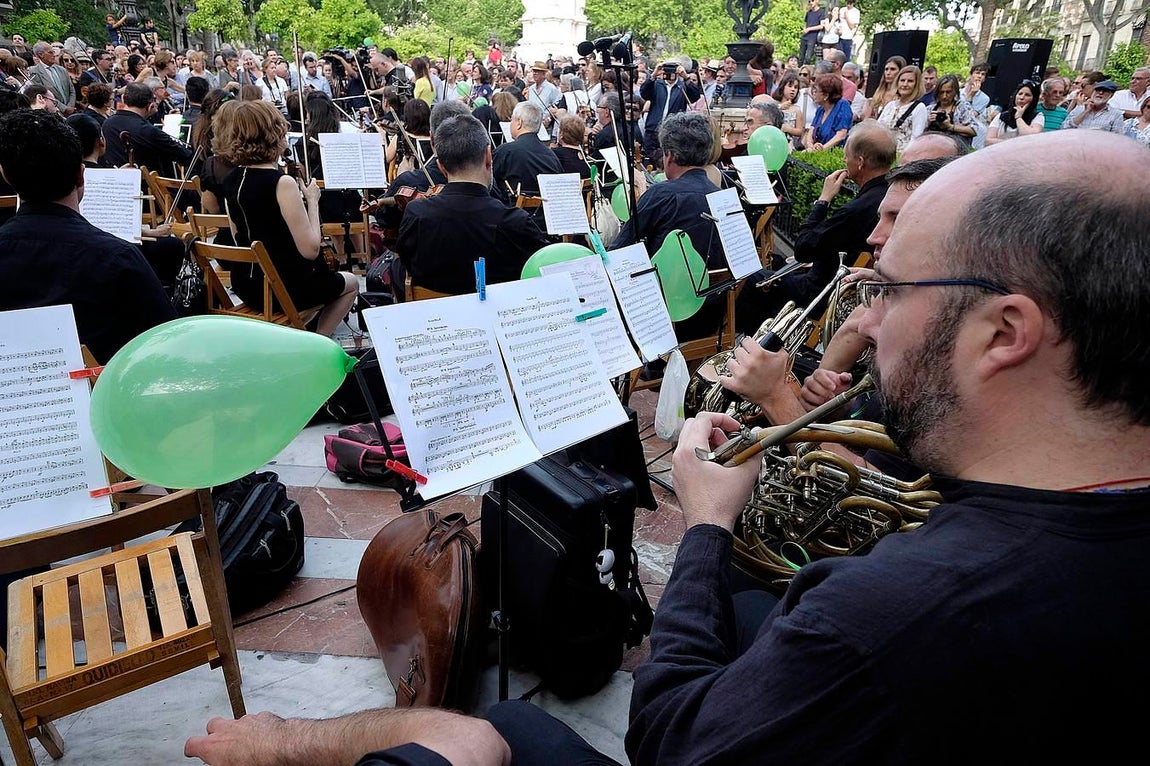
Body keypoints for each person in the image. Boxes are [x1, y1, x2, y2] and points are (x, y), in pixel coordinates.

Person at [625, 130, 1150, 764]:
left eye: (890, 291)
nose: (867, 320)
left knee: (508, 726)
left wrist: (707, 526)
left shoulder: (884, 614)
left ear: (1005, 332)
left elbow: (671, 740)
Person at [0, 108, 176, 363]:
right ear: (82, 175)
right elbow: (166, 340)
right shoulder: (118, 257)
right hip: (110, 396)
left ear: (5, 175)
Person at [214, 99, 358, 336]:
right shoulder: (282, 182)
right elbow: (311, 250)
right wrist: (312, 201)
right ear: (274, 133)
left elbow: (238, 235)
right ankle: (317, 342)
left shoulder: (231, 179)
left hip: (247, 285)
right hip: (282, 289)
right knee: (351, 282)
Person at [736, 121, 894, 334]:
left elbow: (803, 249)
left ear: (860, 162)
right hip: (836, 280)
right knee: (776, 262)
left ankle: (754, 347)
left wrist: (823, 199)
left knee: (752, 279)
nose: (844, 161)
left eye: (846, 156)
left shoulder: (857, 209)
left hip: (820, 294)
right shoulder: (889, 197)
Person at [396, 113, 550, 294]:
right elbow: (544, 271)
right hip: (495, 318)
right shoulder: (514, 222)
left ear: (441, 166)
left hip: (435, 318)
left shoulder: (416, 214)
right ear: (488, 156)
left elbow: (407, 263)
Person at [102, 82, 194, 174]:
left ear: (123, 99)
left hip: (115, 182)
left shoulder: (107, 123)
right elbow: (185, 155)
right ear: (150, 105)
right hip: (148, 185)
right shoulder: (148, 130)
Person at [492, 101, 562, 201]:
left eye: (512, 120)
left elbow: (486, 181)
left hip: (512, 212)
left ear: (519, 123)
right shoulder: (552, 156)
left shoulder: (505, 152)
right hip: (543, 214)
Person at [639, 61, 702, 165]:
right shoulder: (657, 84)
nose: (669, 72)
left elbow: (695, 96)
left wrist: (686, 77)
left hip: (673, 132)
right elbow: (644, 93)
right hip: (653, 131)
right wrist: (654, 74)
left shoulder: (682, 86)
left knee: (670, 161)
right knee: (650, 160)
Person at [876, 65, 929, 154]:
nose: (905, 84)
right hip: (882, 154)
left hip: (903, 155)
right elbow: (878, 128)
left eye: (910, 81)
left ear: (916, 84)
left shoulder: (919, 108)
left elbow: (916, 137)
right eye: (902, 80)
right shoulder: (890, 105)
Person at [802, 72, 852, 151]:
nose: (813, 93)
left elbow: (841, 135)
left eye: (816, 91)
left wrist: (821, 150)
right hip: (817, 153)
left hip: (834, 156)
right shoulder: (820, 109)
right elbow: (811, 130)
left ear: (826, 95)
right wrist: (810, 146)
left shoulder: (843, 105)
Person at [986, 80, 1044, 144]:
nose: (1022, 97)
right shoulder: (1001, 116)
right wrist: (1012, 143)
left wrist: (1019, 117)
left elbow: (1030, 137)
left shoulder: (1038, 116)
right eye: (1020, 94)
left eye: (1027, 95)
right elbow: (988, 141)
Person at [29, 41, 75, 113]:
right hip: (53, 112)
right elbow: (44, 94)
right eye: (50, 52)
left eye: (54, 52)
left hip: (71, 110)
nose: (54, 55)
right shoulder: (34, 72)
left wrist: (71, 106)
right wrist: (64, 108)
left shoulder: (62, 69)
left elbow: (71, 89)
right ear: (40, 54)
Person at [861, 55, 904, 121]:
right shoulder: (878, 93)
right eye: (886, 69)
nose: (888, 73)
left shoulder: (902, 95)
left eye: (893, 69)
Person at [773, 72, 806, 146]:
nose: (793, 89)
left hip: (788, 144)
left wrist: (789, 129)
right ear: (783, 86)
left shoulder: (797, 110)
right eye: (790, 86)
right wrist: (780, 107)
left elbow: (800, 131)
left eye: (795, 87)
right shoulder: (773, 104)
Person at [799, 0, 827, 65]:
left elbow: (821, 26)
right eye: (809, 1)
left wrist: (809, 29)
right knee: (801, 57)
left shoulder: (821, 12)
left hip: (812, 38)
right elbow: (805, 23)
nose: (811, 3)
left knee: (808, 57)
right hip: (804, 37)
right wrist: (804, 29)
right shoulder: (809, 12)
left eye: (812, 1)